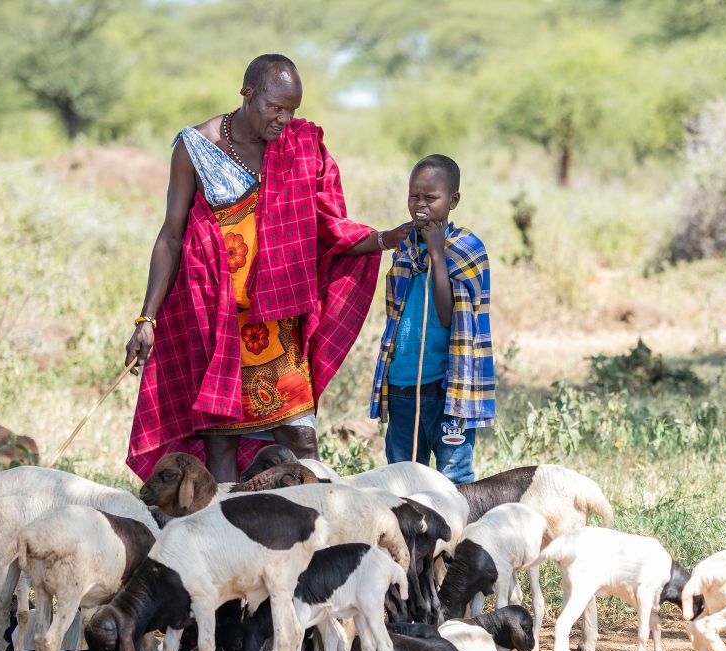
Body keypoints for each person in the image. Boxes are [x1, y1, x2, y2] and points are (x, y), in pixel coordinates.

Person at [124, 54, 411, 481]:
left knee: (300, 438)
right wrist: (146, 318)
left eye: (292, 109)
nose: (284, 119)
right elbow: (171, 235)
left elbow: (326, 227)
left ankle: (312, 528)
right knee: (221, 441)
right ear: (247, 93)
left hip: (275, 325)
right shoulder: (196, 147)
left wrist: (385, 238)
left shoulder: (300, 145)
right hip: (216, 322)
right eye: (275, 107)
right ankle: (229, 534)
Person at [369, 154, 494, 485]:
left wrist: (437, 253)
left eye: (431, 197)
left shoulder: (466, 247)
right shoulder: (405, 247)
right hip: (403, 385)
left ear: (452, 200)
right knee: (403, 480)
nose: (420, 205)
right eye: (414, 196)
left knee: (455, 478)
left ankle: (458, 537)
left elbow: (448, 315)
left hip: (448, 388)